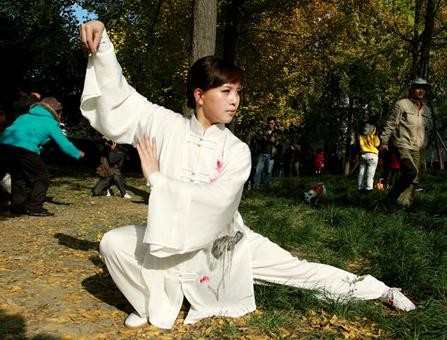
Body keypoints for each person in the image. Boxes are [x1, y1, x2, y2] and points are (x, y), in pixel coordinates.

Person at [80, 20, 415, 330]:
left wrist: (158, 181)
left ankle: (379, 289)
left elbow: (215, 204)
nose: (235, 101)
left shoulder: (236, 150)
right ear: (199, 95)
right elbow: (122, 97)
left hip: (223, 245)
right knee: (113, 244)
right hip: (169, 240)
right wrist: (104, 42)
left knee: (300, 271)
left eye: (238, 92)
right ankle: (150, 304)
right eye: (226, 92)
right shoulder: (164, 125)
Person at [0, 97, 85, 216]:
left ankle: (17, 207)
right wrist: (77, 153)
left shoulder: (23, 117)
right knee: (41, 177)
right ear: (56, 112)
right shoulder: (50, 123)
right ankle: (35, 207)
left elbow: (12, 131)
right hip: (25, 149)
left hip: (4, 146)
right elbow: (63, 143)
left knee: (19, 177)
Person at [380, 78, 433, 207]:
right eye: (418, 88)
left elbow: (429, 128)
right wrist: (384, 141)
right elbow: (391, 123)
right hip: (402, 144)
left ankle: (404, 204)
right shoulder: (402, 104)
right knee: (410, 171)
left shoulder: (426, 109)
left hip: (418, 147)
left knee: (414, 178)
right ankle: (391, 198)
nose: (421, 91)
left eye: (423, 89)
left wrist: (425, 143)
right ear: (412, 89)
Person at [253, 117, 278, 188]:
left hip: (271, 155)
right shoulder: (263, 131)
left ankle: (267, 187)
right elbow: (259, 139)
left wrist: (268, 138)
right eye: (270, 123)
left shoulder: (276, 132)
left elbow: (275, 142)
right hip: (262, 153)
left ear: (274, 124)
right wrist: (267, 138)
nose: (271, 125)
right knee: (258, 170)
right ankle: (256, 186)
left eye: (272, 123)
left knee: (268, 172)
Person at [357, 123, 380, 192]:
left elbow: (361, 145)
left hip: (363, 155)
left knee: (361, 172)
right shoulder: (374, 136)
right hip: (372, 155)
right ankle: (369, 188)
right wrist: (375, 135)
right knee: (370, 173)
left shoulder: (361, 136)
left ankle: (360, 187)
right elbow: (377, 144)